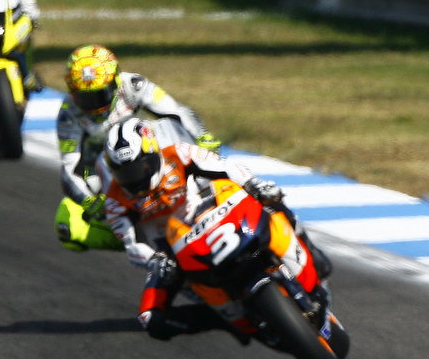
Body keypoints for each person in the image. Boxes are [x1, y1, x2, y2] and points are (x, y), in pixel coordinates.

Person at [96, 118, 325, 341]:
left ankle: (308, 247)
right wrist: (153, 260)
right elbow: (131, 245)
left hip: (212, 216)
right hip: (172, 255)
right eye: (124, 173)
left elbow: (225, 167)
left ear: (153, 154)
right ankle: (224, 321)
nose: (133, 179)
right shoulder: (115, 201)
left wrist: (253, 183)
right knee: (151, 320)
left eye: (139, 168)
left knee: (269, 198)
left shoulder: (180, 154)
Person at [54, 44, 219, 252]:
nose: (93, 104)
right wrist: (90, 202)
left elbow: (175, 111)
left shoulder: (134, 84)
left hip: (149, 153)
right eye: (85, 96)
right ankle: (137, 239)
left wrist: (202, 136)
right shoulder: (68, 115)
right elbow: (69, 168)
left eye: (100, 94)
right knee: (67, 225)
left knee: (203, 160)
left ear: (114, 80)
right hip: (108, 172)